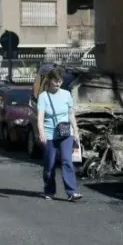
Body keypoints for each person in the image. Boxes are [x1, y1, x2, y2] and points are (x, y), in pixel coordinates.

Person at [36, 68, 82, 201]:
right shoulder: (43, 97)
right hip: (50, 134)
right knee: (49, 164)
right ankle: (49, 190)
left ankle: (72, 192)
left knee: (67, 161)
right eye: (55, 81)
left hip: (66, 133)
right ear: (50, 80)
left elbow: (70, 114)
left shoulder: (67, 94)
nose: (58, 83)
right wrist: (42, 133)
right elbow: (40, 117)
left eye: (60, 81)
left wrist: (76, 130)